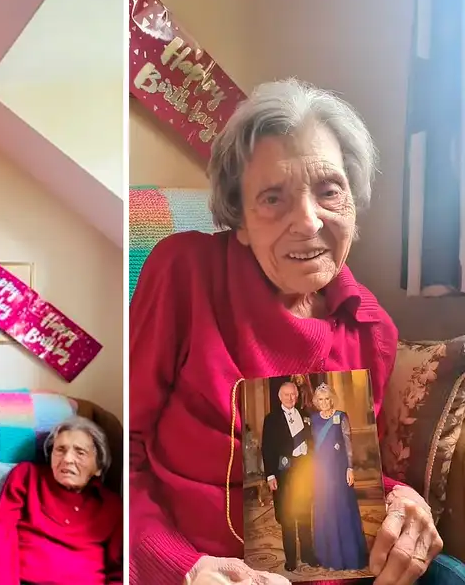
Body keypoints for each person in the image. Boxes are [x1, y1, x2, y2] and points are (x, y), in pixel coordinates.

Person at [128, 79, 443, 585]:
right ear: (241, 221)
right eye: (273, 198)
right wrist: (182, 568)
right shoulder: (183, 274)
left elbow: (342, 473)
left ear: (353, 204)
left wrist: (402, 499)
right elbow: (125, 445)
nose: (308, 221)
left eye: (329, 190)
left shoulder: (371, 330)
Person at [0, 416, 122, 585]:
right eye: (60, 450)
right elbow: (1, 532)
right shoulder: (26, 477)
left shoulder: (113, 507)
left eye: (80, 452)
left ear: (98, 468)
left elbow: (118, 570)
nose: (67, 459)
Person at [261, 382, 319, 572]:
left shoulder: (305, 416)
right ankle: (291, 559)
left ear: (297, 395)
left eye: (293, 395)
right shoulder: (271, 419)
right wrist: (270, 475)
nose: (290, 398)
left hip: (303, 470)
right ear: (280, 397)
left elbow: (313, 442)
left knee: (304, 515)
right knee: (287, 517)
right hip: (284, 471)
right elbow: (267, 449)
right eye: (286, 395)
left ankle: (308, 555)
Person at [310, 383, 368, 570]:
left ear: (331, 398)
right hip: (321, 472)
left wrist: (350, 468)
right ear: (316, 402)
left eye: (327, 398)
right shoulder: (312, 420)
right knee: (325, 510)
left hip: (339, 469)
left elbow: (348, 443)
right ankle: (329, 557)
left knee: (342, 507)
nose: (324, 402)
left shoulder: (341, 416)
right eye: (320, 399)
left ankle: (349, 557)